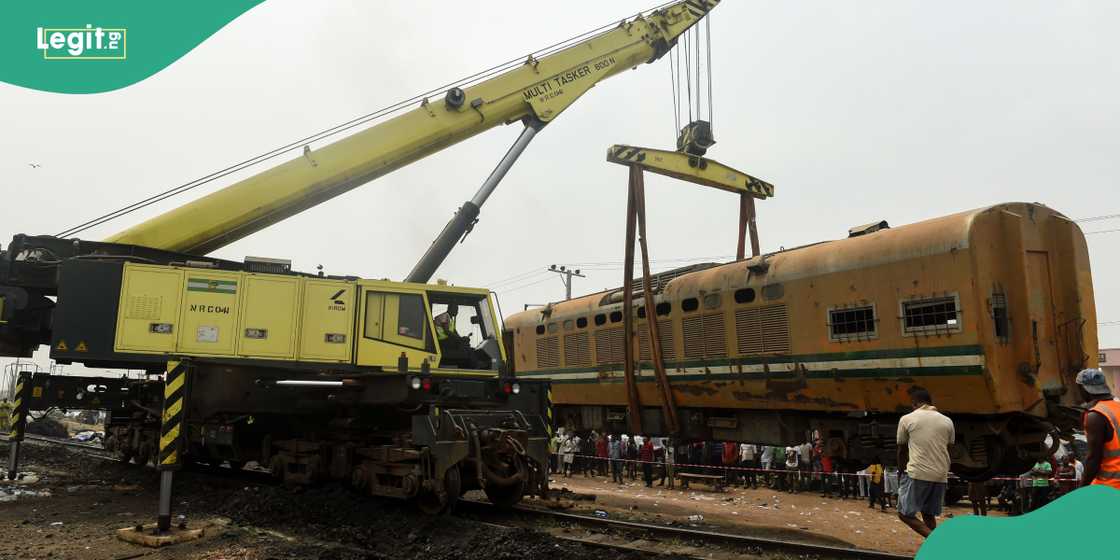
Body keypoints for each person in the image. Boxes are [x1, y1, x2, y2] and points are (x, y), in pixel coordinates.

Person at [896, 386, 955, 538]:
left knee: (904, 514)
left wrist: (901, 472)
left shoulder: (907, 419)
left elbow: (902, 450)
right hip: (941, 475)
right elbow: (950, 449)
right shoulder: (947, 421)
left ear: (915, 403)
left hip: (918, 473)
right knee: (928, 515)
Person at [1076, 368, 1120, 489]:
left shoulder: (1095, 416)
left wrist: (1082, 489)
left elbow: (1093, 459)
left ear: (1083, 389)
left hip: (1110, 486)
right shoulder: (1117, 407)